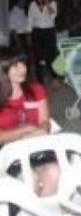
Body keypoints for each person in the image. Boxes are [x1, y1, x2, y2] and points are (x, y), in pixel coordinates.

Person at [0, 47, 58, 197]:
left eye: (23, 64)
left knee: (54, 172)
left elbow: (44, 122)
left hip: (36, 145)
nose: (22, 69)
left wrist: (42, 130)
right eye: (15, 66)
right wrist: (24, 131)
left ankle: (45, 208)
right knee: (28, 179)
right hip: (7, 153)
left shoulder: (36, 90)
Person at [28, 0, 58, 85]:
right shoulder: (32, 5)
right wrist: (29, 34)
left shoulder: (52, 3)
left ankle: (54, 77)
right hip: (37, 32)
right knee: (38, 55)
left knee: (51, 55)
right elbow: (30, 20)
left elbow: (53, 15)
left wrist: (47, 4)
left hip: (49, 31)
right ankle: (40, 80)